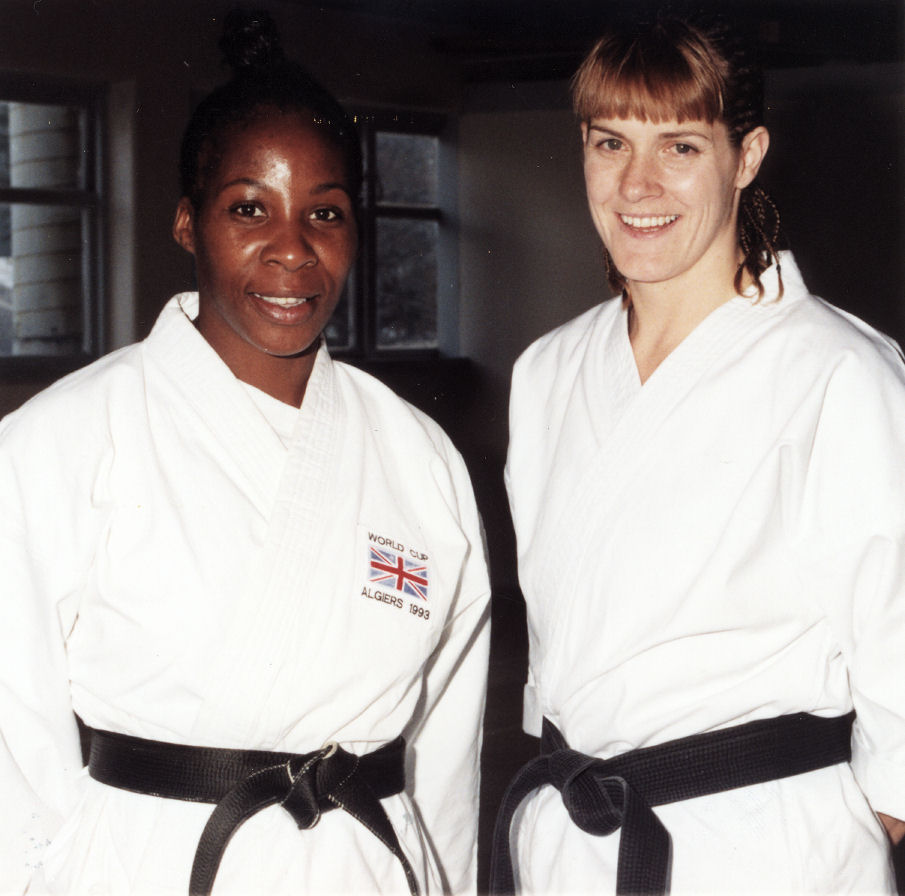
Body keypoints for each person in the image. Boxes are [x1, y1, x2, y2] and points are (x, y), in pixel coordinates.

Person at [0, 10, 489, 895]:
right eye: (249, 208)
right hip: (147, 870)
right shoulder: (64, 441)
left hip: (365, 867)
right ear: (189, 223)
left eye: (326, 212)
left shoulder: (419, 460)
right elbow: (10, 744)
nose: (292, 250)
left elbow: (446, 755)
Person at [493, 12, 905, 895]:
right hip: (575, 838)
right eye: (610, 143)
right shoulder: (548, 370)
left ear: (746, 156)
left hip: (764, 848)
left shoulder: (840, 370)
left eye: (679, 146)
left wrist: (831, 839)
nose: (636, 183)